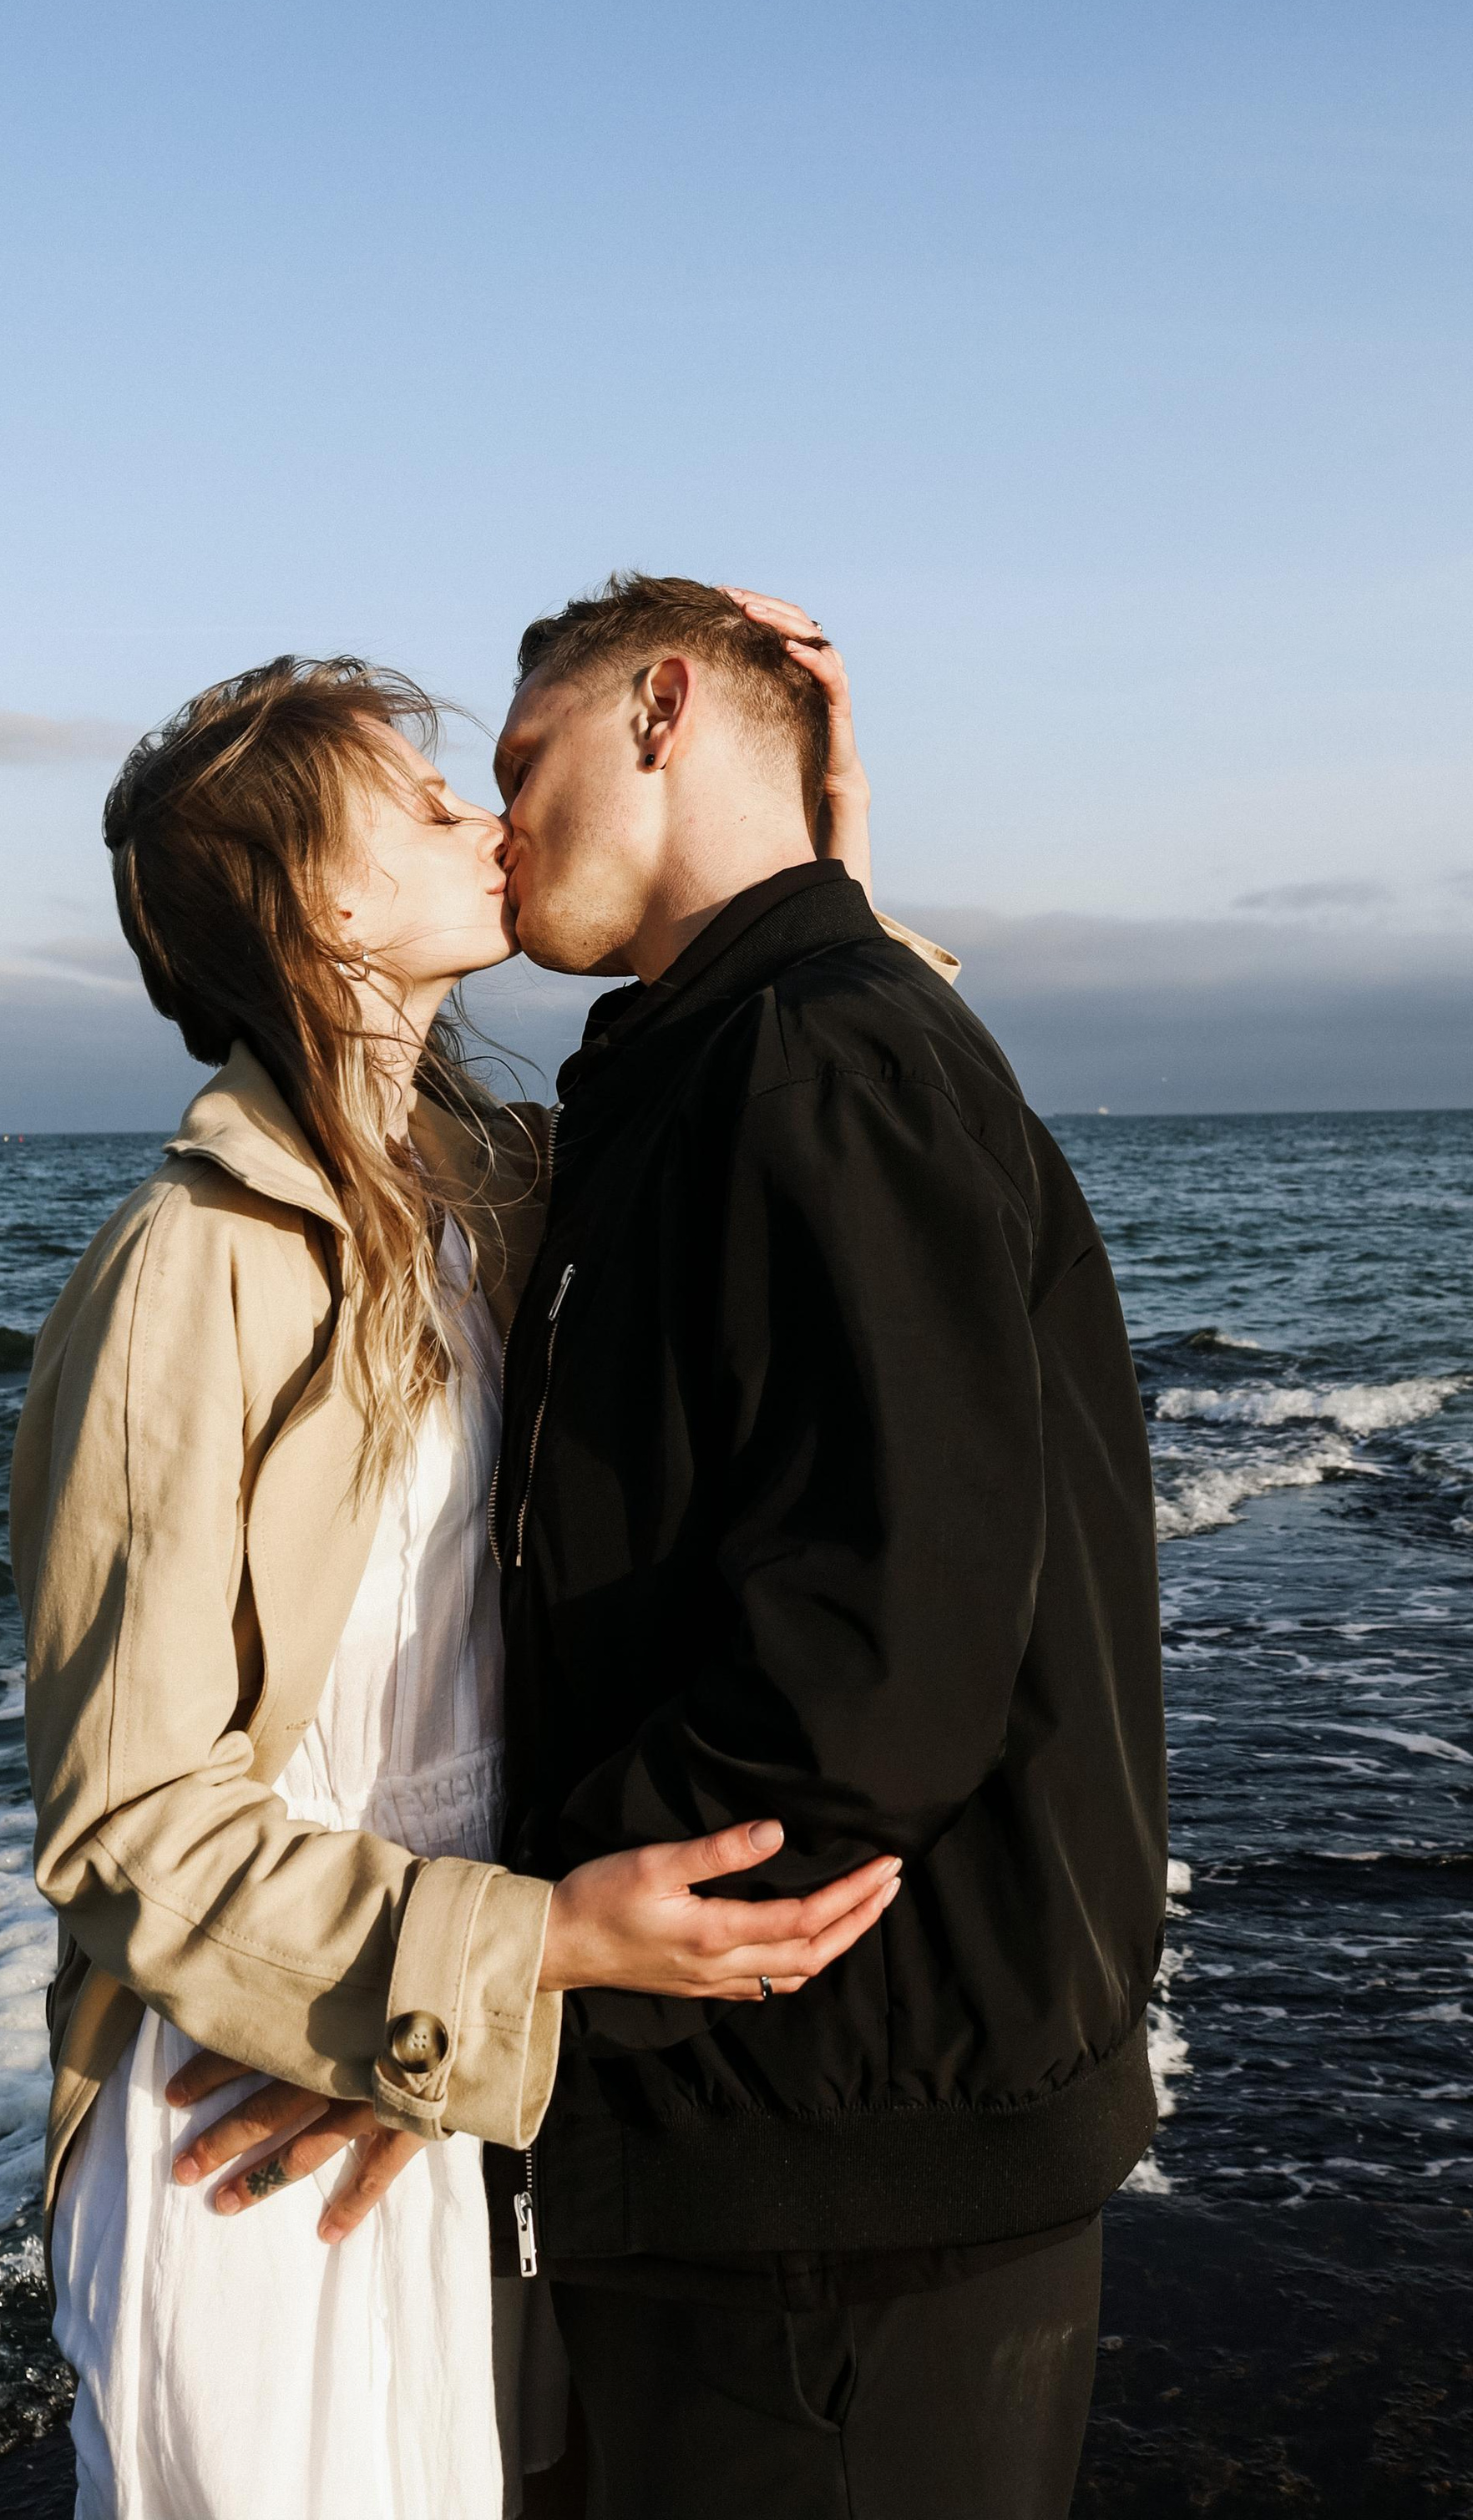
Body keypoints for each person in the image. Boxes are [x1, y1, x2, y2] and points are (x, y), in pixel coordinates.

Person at [10, 654, 901, 2520]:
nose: (486, 824)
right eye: (424, 810)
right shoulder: (192, 1265)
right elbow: (129, 1819)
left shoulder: (482, 1191)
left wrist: (825, 866)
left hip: (434, 2068)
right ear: (320, 908)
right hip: (243, 2119)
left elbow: (761, 1131)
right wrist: (536, 1948)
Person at [487, 573, 1171, 2520]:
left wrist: (525, 1931)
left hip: (830, 2159)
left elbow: (875, 1658)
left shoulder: (815, 1058)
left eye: (525, 755)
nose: (499, 818)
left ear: (660, 711)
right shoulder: (743, 1051)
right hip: (799, 2128)